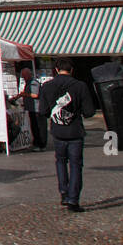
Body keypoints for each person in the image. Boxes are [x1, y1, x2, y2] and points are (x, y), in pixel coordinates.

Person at [39, 58, 96, 211]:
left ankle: (64, 192)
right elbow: (89, 111)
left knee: (60, 161)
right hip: (75, 130)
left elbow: (43, 111)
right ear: (71, 70)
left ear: (56, 70)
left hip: (58, 131)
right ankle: (73, 199)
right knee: (76, 165)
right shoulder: (80, 86)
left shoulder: (47, 86)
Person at [21, 66, 46, 150]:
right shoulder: (28, 83)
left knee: (38, 127)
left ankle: (40, 144)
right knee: (34, 127)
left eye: (24, 76)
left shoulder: (33, 83)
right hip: (32, 108)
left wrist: (25, 94)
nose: (23, 78)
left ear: (28, 75)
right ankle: (37, 143)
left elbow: (35, 95)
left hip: (36, 109)